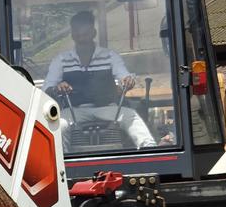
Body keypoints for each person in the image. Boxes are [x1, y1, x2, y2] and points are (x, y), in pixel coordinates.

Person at [42, 10, 156, 150]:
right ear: (73, 35)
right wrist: (57, 88)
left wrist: (127, 80)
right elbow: (47, 88)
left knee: (130, 116)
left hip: (108, 108)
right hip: (75, 111)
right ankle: (62, 161)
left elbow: (124, 75)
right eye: (78, 35)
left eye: (85, 34)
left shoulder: (110, 56)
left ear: (93, 33)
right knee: (58, 125)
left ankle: (150, 149)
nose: (82, 38)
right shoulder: (61, 60)